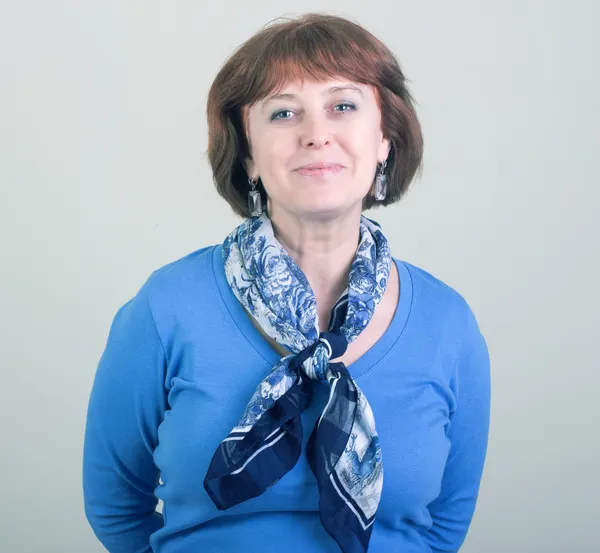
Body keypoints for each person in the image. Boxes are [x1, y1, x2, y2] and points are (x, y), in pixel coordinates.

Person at [82, 12, 491, 553]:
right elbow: (116, 506)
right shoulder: (165, 309)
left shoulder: (447, 322)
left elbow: (443, 528)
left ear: (385, 140)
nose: (316, 134)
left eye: (342, 106)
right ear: (249, 155)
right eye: (283, 112)